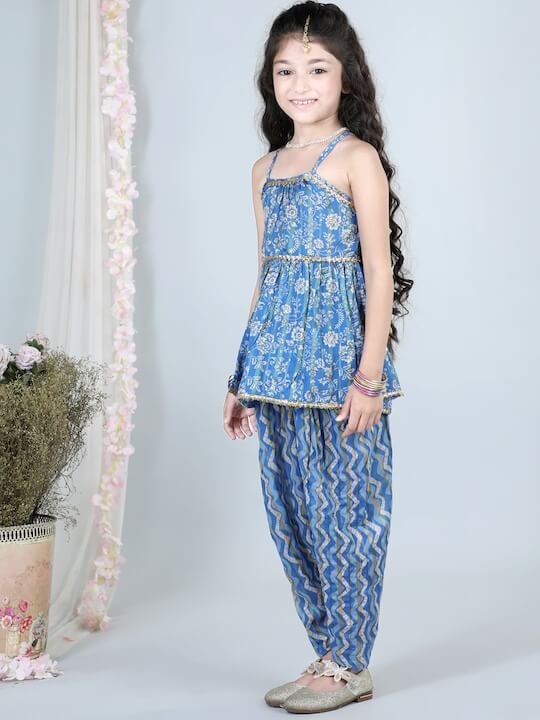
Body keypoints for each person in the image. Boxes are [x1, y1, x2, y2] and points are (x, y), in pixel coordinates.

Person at [223, 1, 413, 713]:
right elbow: (266, 277)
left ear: (345, 78)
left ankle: (351, 663)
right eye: (286, 71)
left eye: (317, 69)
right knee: (294, 519)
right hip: (275, 374)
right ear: (269, 80)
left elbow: (378, 274)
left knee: (349, 518)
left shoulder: (356, 159)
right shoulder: (264, 169)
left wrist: (369, 377)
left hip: (341, 378)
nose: (300, 85)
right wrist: (240, 375)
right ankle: (328, 654)